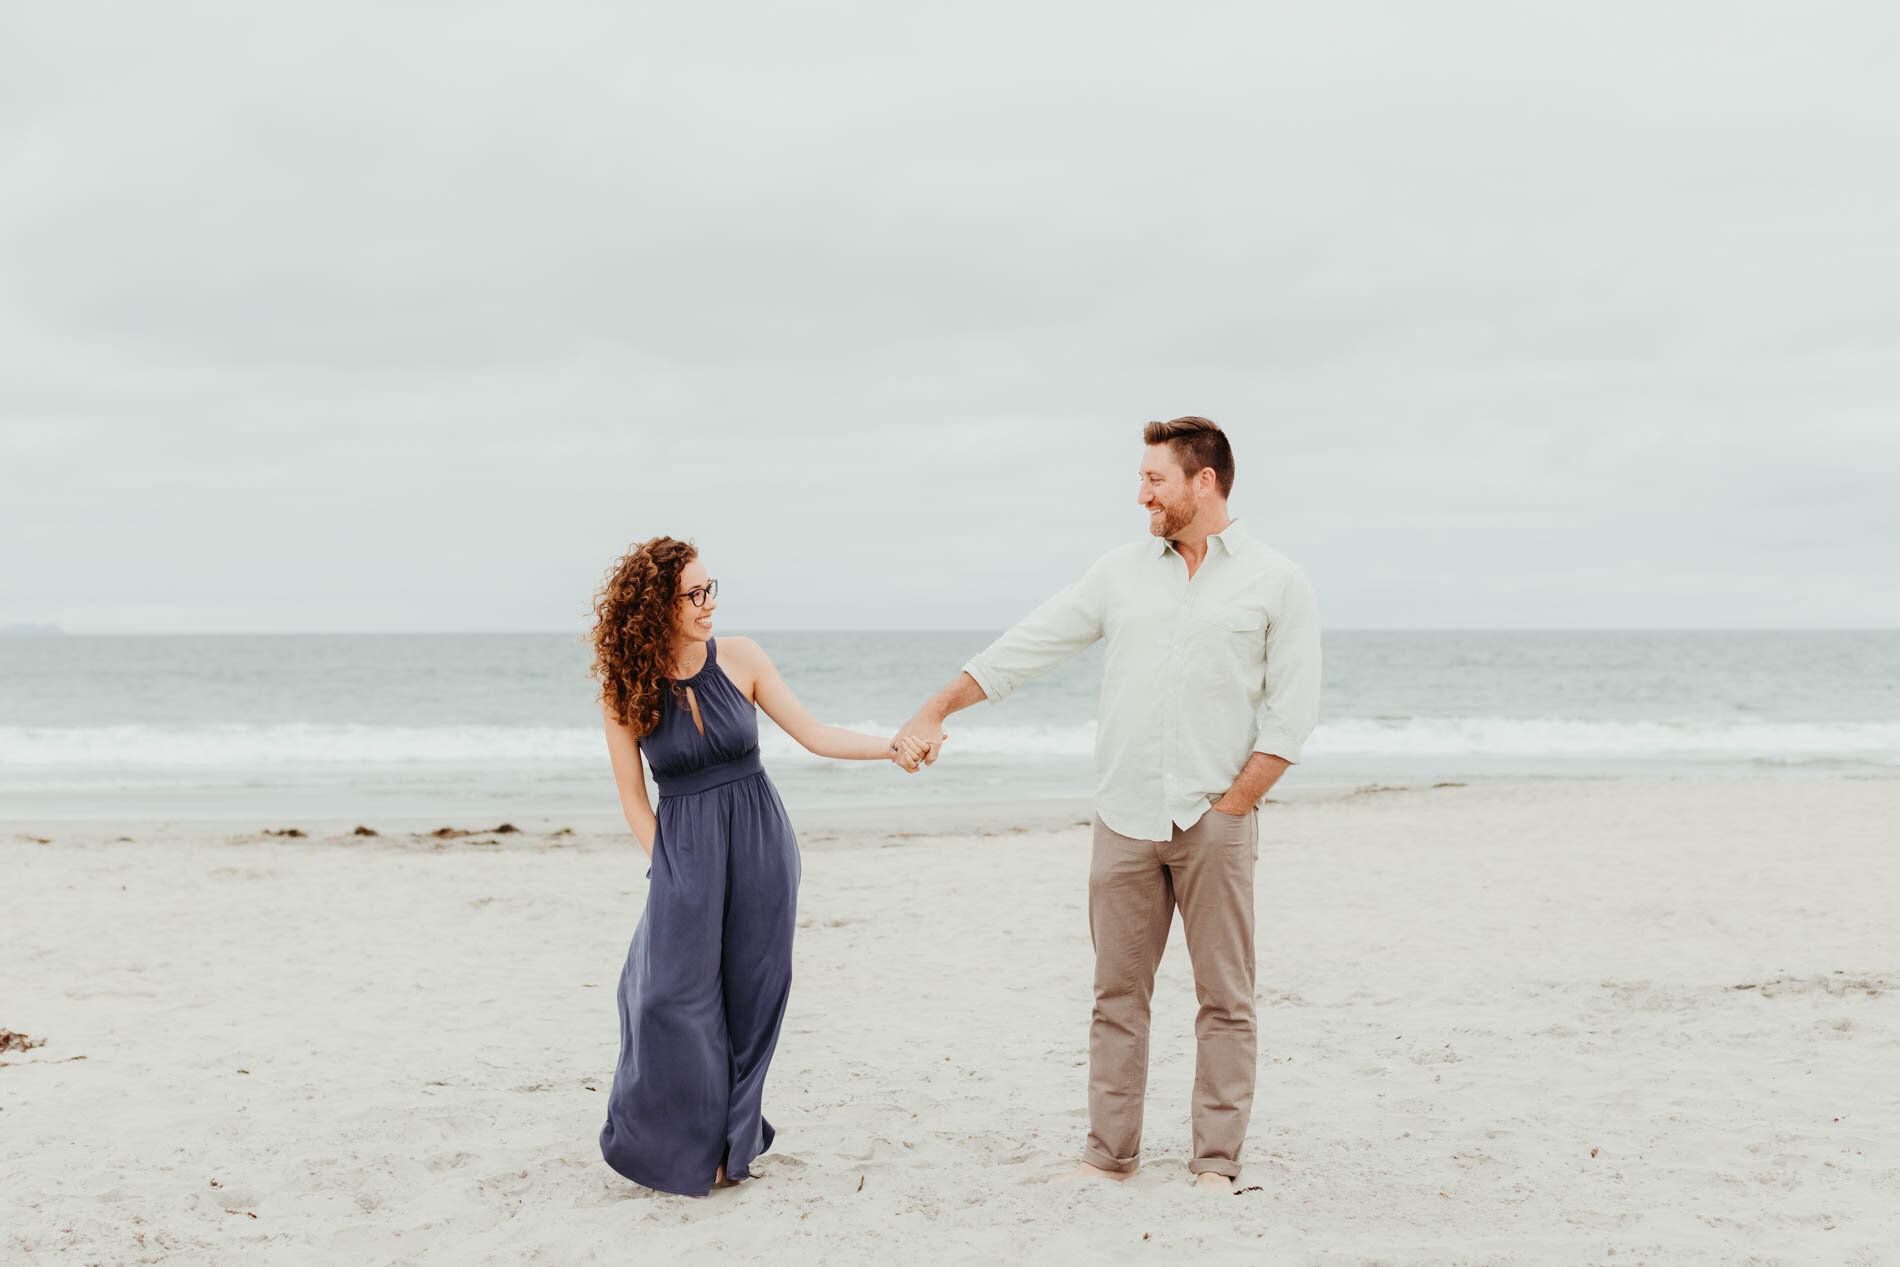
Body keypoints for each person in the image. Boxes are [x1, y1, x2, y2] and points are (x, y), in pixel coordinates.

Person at [896, 416, 1321, 1193]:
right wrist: (937, 707)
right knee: (1116, 997)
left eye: (1154, 478)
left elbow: (1292, 717)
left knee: (1225, 999)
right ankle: (1108, 1156)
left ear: (1204, 481)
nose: (1140, 493)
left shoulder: (1277, 580)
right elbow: (1029, 644)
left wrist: (1232, 808)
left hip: (1214, 823)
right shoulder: (1120, 573)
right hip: (1123, 819)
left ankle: (1216, 1164)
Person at [589, 535, 926, 1196]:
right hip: (683, 856)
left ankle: (727, 1148)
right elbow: (632, 797)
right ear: (657, 604)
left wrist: (891, 747)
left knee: (751, 998)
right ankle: (666, 1137)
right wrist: (669, 869)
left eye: (712, 588)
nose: (708, 603)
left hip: (761, 847)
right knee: (663, 997)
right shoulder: (625, 686)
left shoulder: (740, 657)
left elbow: (814, 732)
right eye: (694, 593)